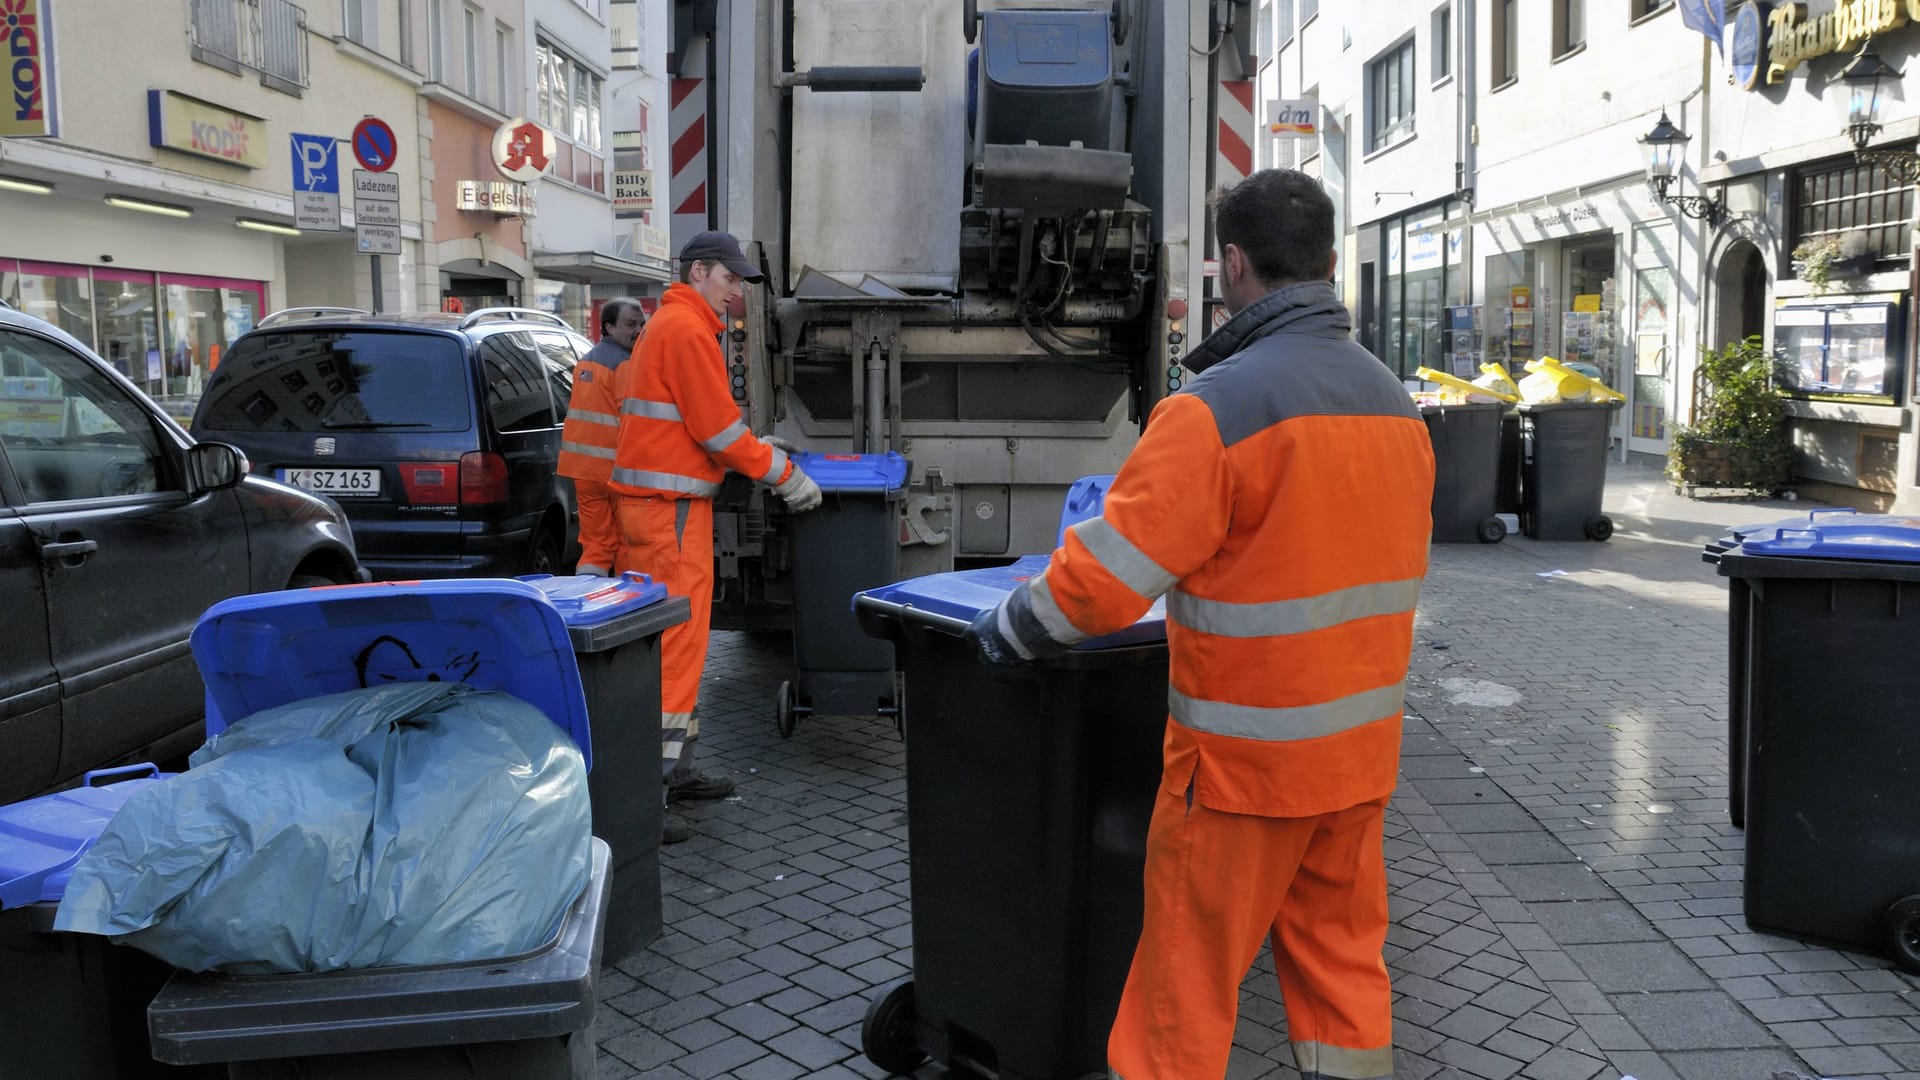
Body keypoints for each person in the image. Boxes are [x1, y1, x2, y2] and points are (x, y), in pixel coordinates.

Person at [965, 169, 1435, 1079]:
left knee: (1183, 993)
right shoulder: (1396, 407)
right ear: (1331, 263)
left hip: (1239, 774)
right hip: (1357, 761)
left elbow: (1101, 585)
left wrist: (1010, 628)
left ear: (1231, 265)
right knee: (1343, 975)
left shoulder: (1213, 411)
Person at [609, 231, 823, 826]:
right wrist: (784, 474)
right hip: (668, 510)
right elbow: (716, 433)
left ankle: (677, 772)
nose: (736, 291)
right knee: (675, 651)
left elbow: (705, 426)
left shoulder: (679, 325)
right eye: (729, 279)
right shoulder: (684, 329)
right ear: (698, 271)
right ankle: (644, 800)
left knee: (685, 644)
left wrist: (753, 445)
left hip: (666, 509)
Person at [558, 298, 647, 576]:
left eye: (641, 325)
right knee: (626, 546)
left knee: (596, 546)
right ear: (608, 327)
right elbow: (634, 419)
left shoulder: (585, 362)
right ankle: (625, 609)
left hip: (583, 472)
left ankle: (589, 603)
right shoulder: (625, 365)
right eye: (630, 324)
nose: (638, 331)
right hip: (615, 472)